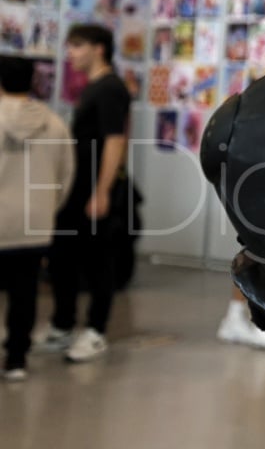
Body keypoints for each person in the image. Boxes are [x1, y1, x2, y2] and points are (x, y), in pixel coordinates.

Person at [39, 24, 131, 362]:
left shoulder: (110, 88)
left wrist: (102, 190)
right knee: (62, 255)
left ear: (98, 49)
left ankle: (95, 331)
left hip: (94, 187)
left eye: (77, 46)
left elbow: (115, 141)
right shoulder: (93, 87)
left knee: (97, 259)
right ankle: (63, 324)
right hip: (76, 187)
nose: (71, 53)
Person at [0, 56, 74, 380]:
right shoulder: (55, 123)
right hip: (36, 223)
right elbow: (66, 175)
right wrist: (47, 208)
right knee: (24, 293)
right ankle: (16, 360)